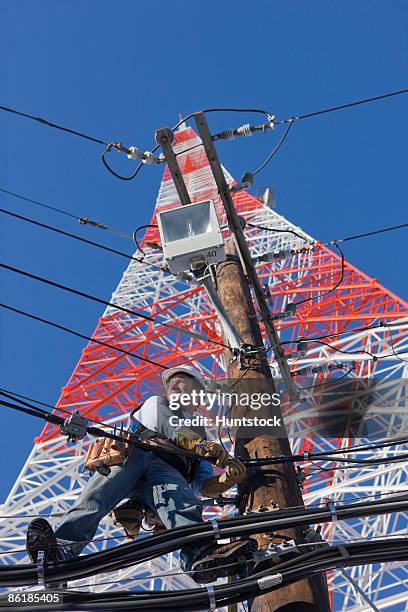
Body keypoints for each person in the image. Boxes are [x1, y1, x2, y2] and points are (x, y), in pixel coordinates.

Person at [26, 364, 256, 583]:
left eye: (181, 382)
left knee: (182, 504)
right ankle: (62, 549)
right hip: (136, 453)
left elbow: (201, 485)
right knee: (97, 496)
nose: (173, 386)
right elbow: (168, 427)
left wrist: (227, 480)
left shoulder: (202, 432)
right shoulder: (157, 403)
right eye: (171, 384)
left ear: (198, 393)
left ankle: (201, 553)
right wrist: (203, 447)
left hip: (169, 471)